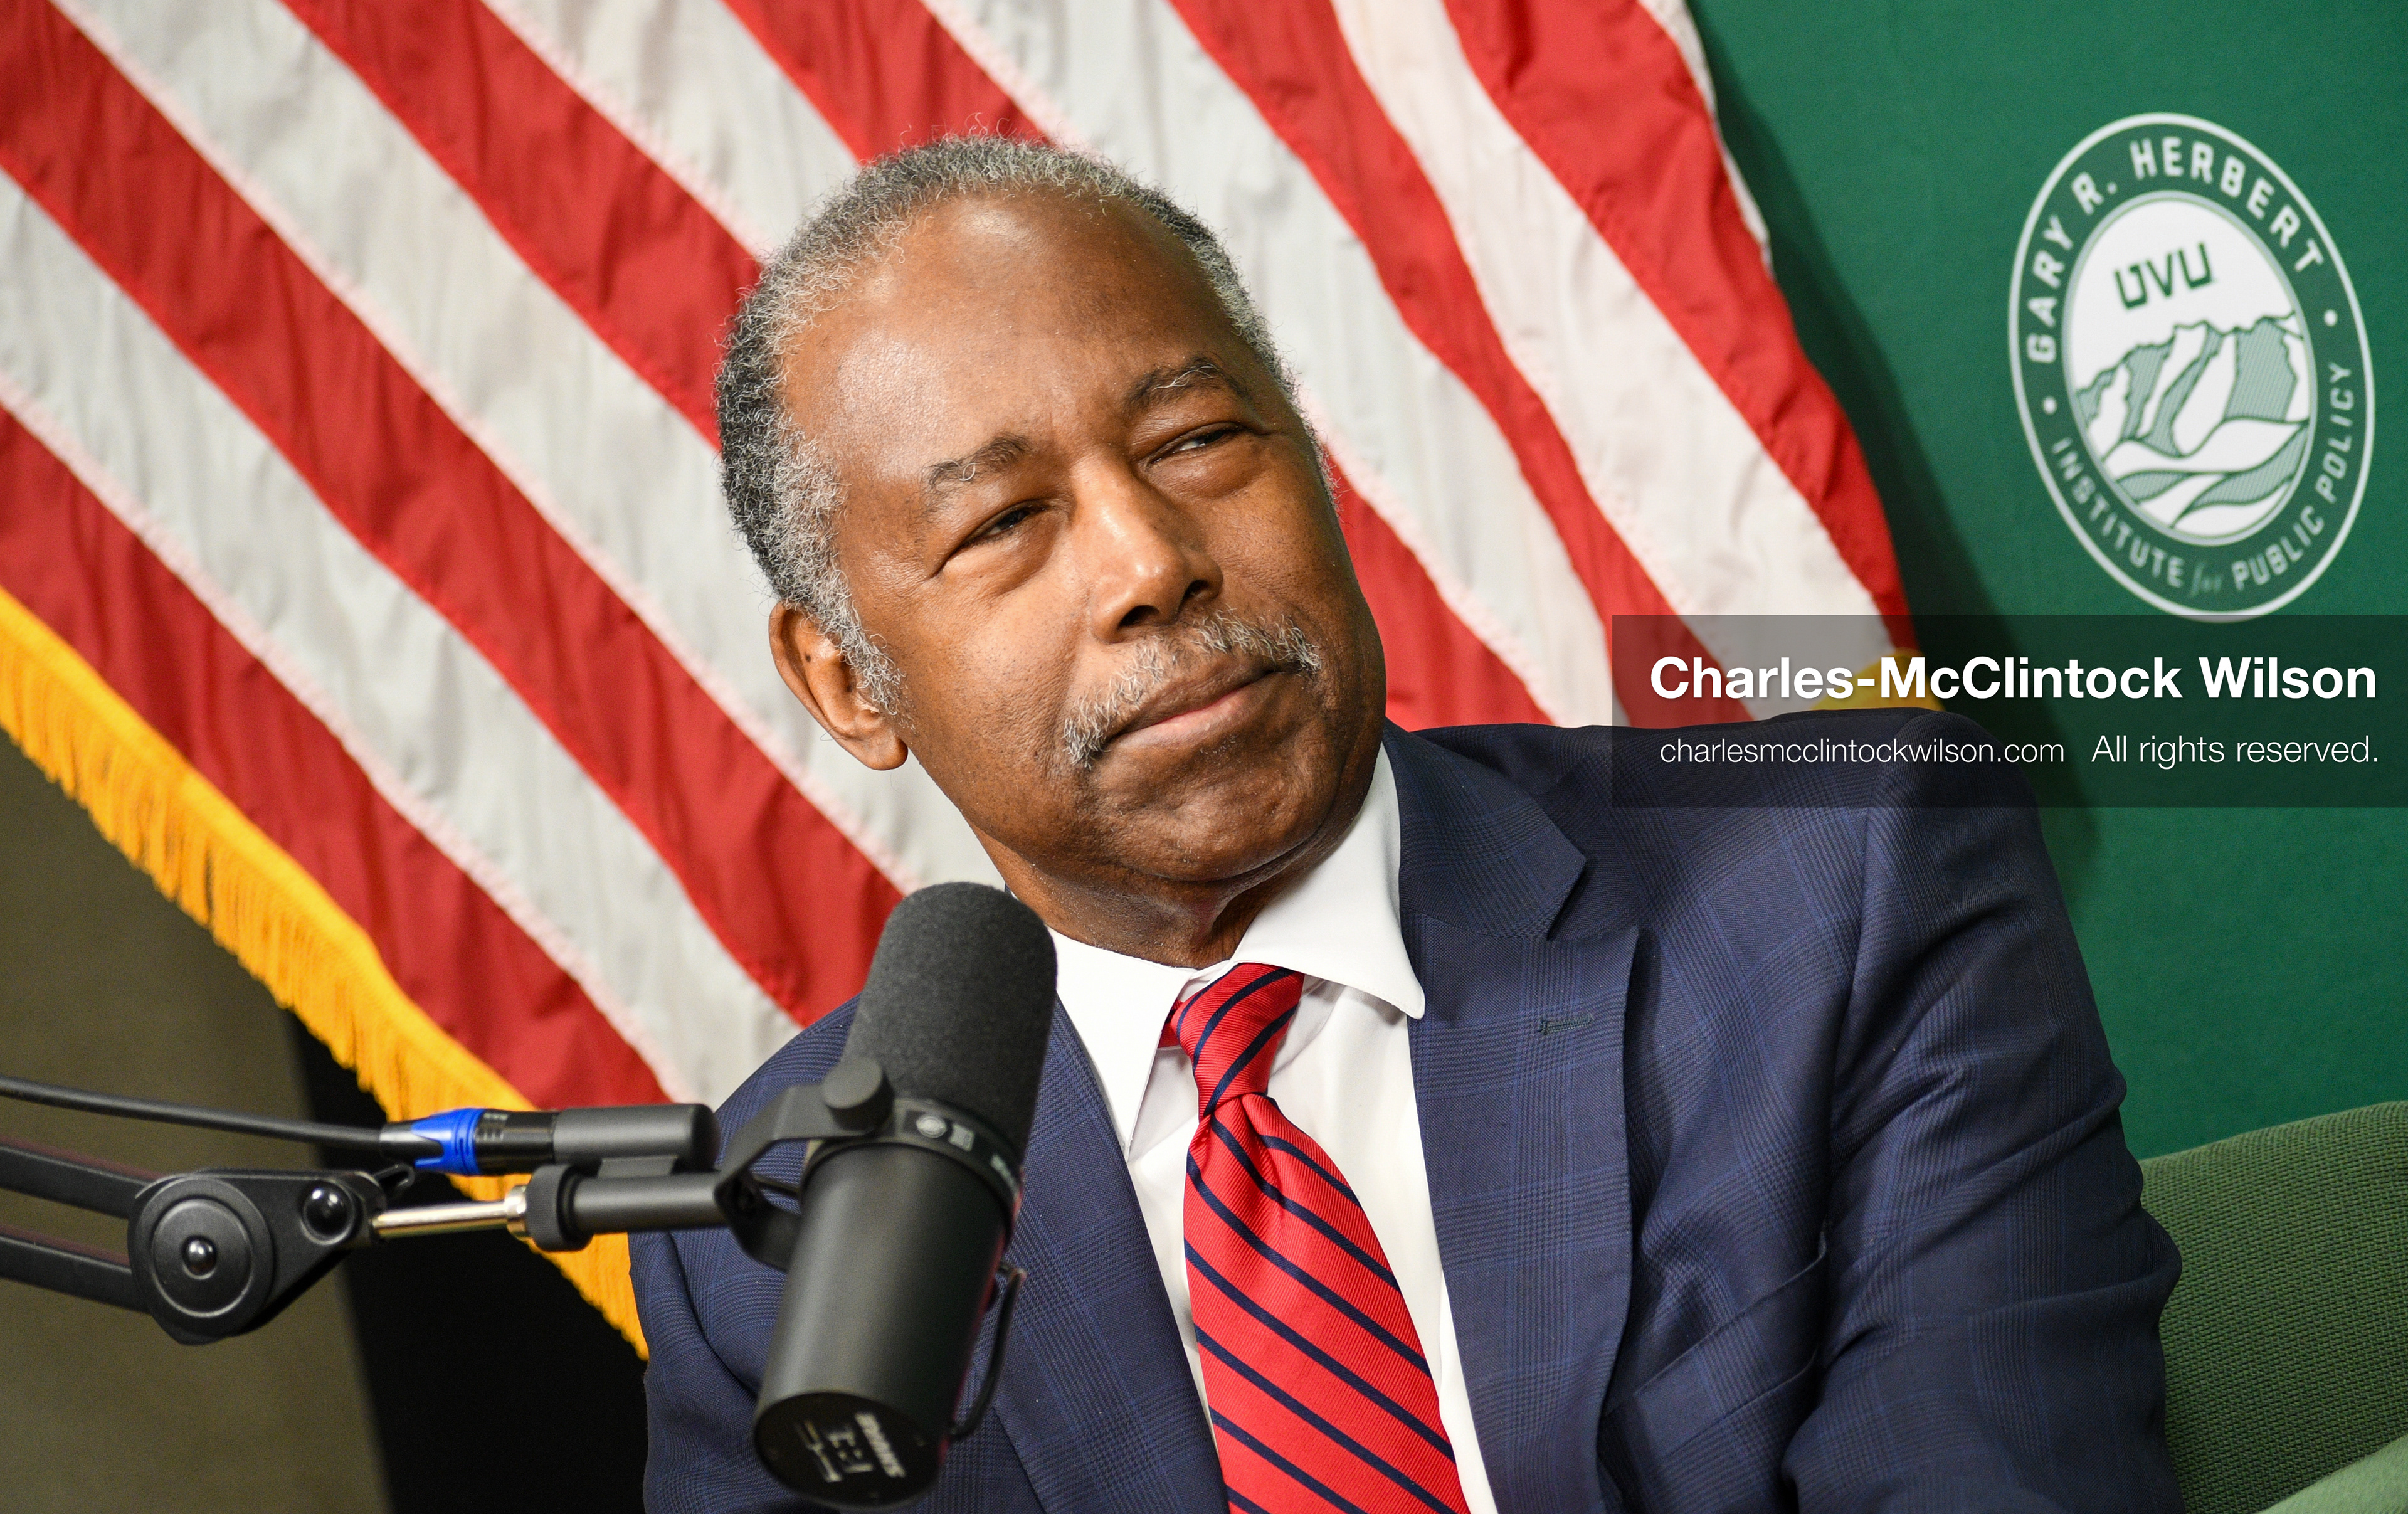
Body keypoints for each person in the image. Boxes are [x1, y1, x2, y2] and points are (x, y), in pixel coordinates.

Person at [631, 137, 2180, 1513]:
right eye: (1003, 522)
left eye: (1194, 441)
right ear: (846, 681)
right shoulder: (768, 1237)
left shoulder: (1840, 886)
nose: (1149, 560)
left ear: (1314, 461)